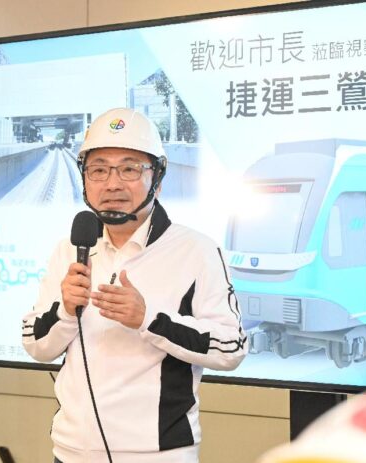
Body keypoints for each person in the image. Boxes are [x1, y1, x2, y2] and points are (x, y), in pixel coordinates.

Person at [22, 107, 247, 463]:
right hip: (70, 451)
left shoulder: (196, 250)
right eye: (98, 170)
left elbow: (231, 347)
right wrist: (64, 311)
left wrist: (149, 319)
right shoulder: (70, 249)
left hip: (159, 454)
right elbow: (36, 345)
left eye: (129, 169)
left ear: (158, 178)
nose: (112, 184)